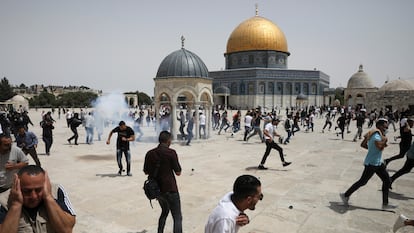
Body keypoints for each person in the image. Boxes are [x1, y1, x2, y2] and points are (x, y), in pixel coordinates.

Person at [0, 165, 76, 232]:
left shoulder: (56, 191)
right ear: (17, 184)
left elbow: (67, 230)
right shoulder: (3, 200)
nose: (34, 196)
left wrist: (48, 197)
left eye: (38, 190)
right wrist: (16, 205)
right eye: (27, 191)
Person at [340, 118, 395, 209]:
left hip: (378, 163)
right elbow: (380, 147)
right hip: (372, 163)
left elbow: (363, 145)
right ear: (381, 125)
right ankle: (345, 195)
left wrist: (372, 150)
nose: (387, 125)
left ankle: (385, 204)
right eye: (386, 124)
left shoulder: (374, 133)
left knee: (387, 180)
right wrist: (384, 139)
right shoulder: (376, 135)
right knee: (363, 181)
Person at [143, 131, 182, 233]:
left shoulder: (150, 153)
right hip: (170, 189)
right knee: (177, 217)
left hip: (157, 190)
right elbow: (178, 172)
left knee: (164, 211)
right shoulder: (171, 153)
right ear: (168, 141)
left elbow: (145, 171)